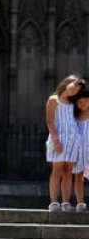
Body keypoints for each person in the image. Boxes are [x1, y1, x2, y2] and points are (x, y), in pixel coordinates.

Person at [46, 74, 84, 212]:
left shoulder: (74, 103)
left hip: (73, 140)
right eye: (74, 86)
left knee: (68, 171)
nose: (74, 90)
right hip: (59, 138)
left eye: (77, 89)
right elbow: (50, 121)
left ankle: (66, 202)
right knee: (57, 170)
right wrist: (55, 140)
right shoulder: (53, 99)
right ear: (67, 83)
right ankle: (54, 202)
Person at [70, 89, 89, 211]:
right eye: (79, 102)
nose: (82, 104)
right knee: (79, 176)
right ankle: (80, 203)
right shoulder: (74, 117)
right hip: (79, 150)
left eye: (85, 101)